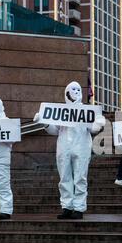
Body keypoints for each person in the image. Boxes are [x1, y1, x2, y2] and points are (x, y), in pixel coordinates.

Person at [34, 81, 106, 220]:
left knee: (80, 178)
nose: (76, 92)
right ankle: (67, 207)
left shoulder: (87, 111)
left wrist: (98, 124)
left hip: (82, 146)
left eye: (78, 89)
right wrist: (45, 122)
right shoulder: (60, 112)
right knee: (64, 178)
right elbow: (54, 130)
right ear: (66, 92)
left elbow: (92, 129)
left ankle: (79, 208)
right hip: (64, 147)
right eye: (73, 89)